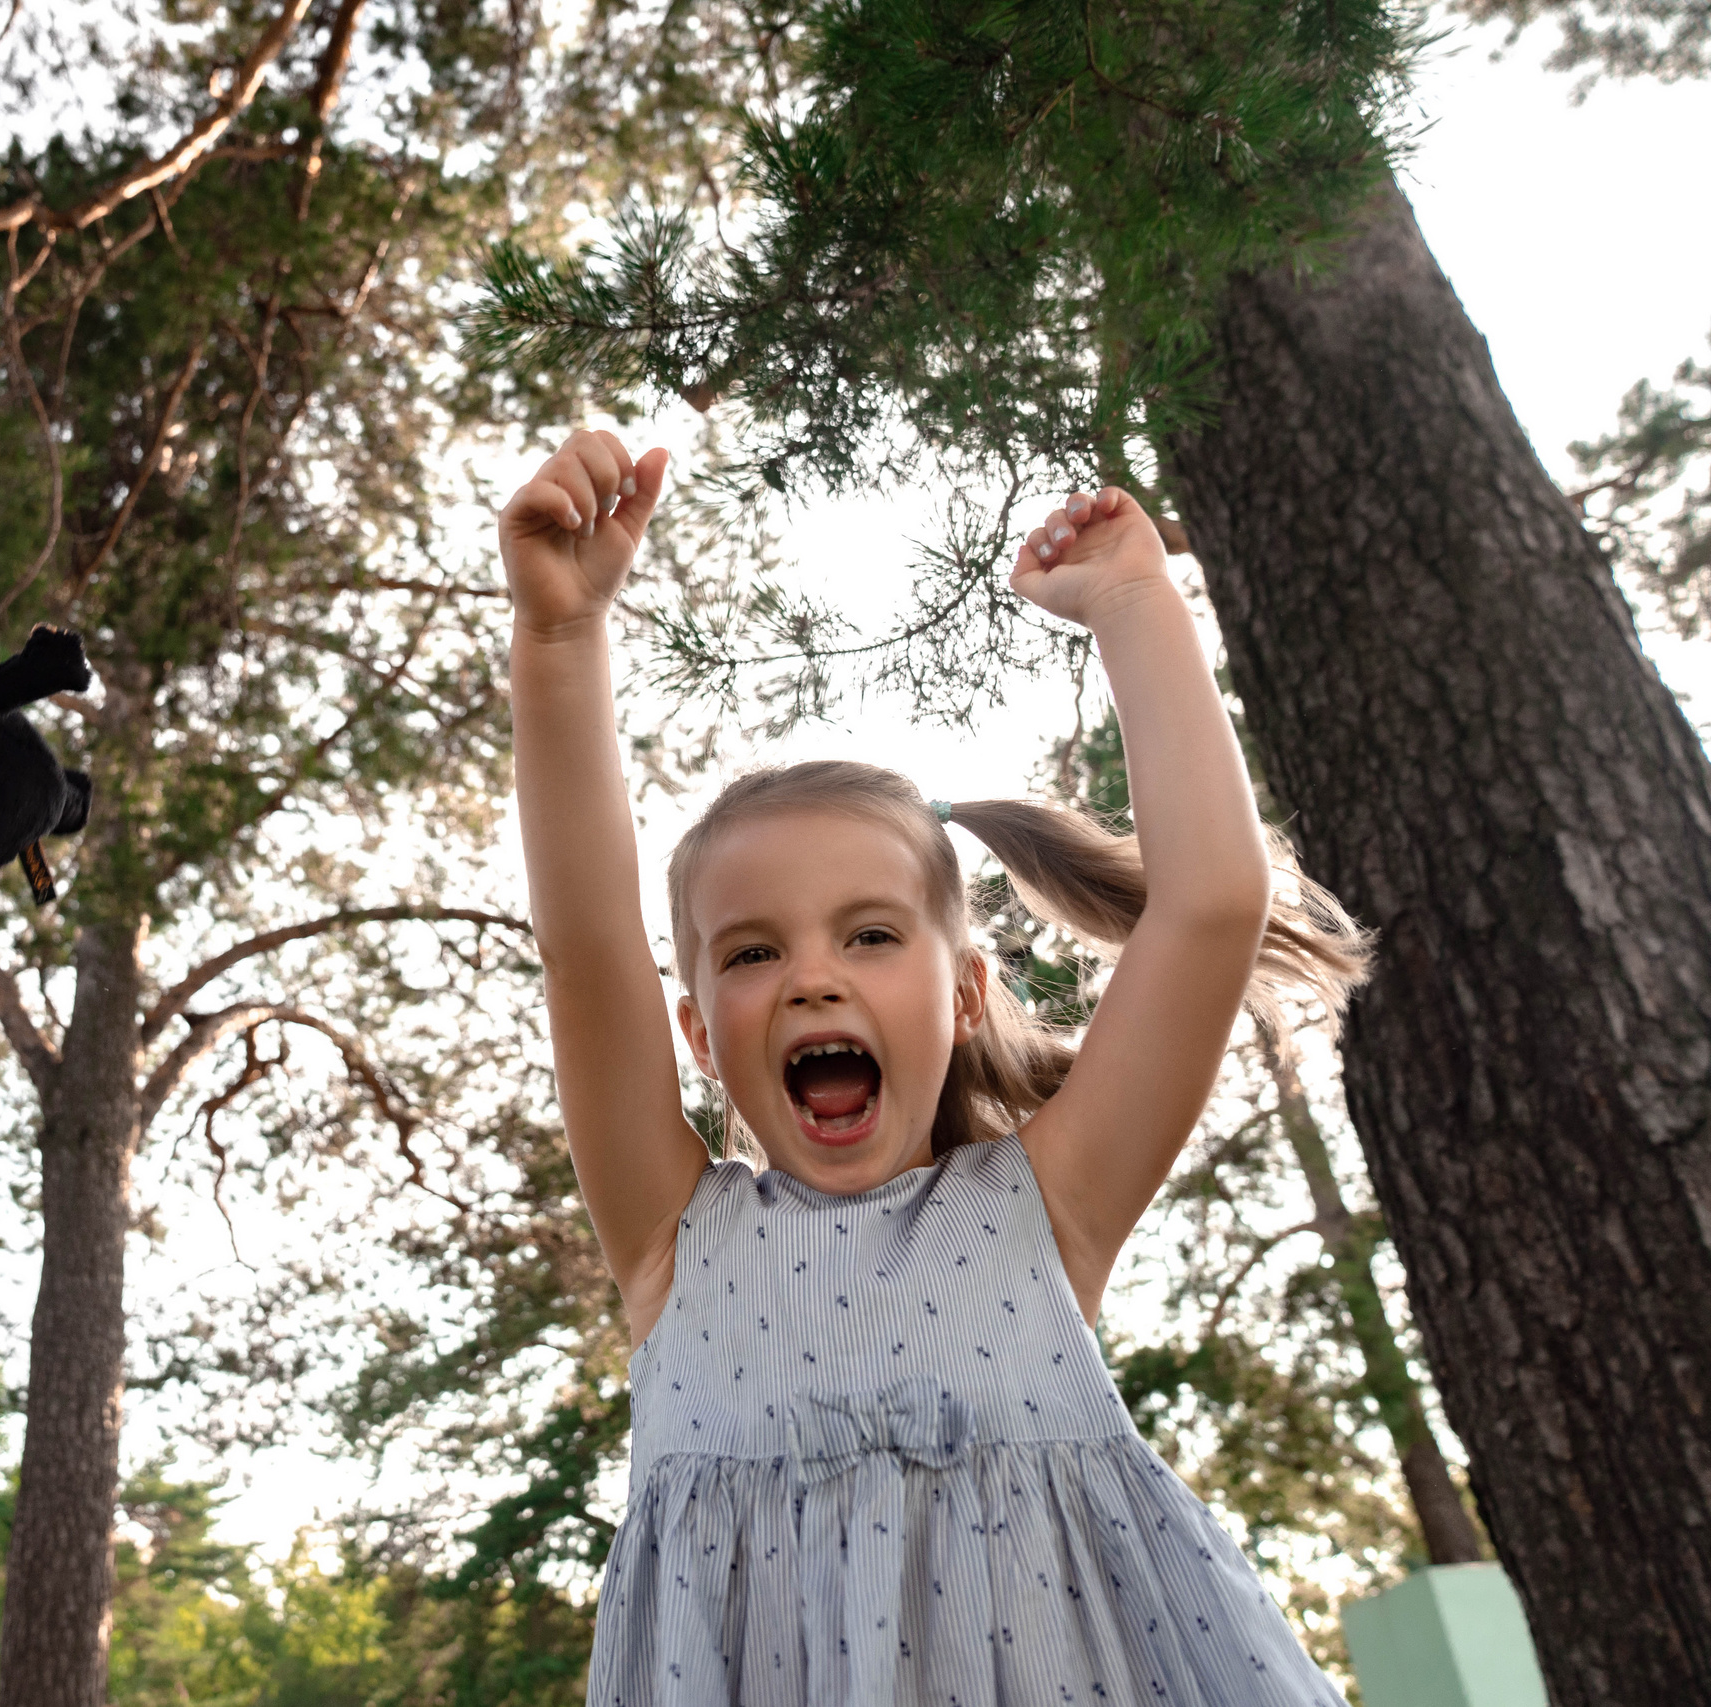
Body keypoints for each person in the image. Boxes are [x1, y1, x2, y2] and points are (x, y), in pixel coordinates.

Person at [500, 429, 1372, 1706]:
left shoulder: (1042, 1206)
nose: (811, 976)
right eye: (749, 953)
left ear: (964, 994)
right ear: (693, 1031)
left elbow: (1210, 902)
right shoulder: (670, 1239)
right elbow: (584, 950)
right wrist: (562, 640)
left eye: (867, 934)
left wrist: (1134, 601)